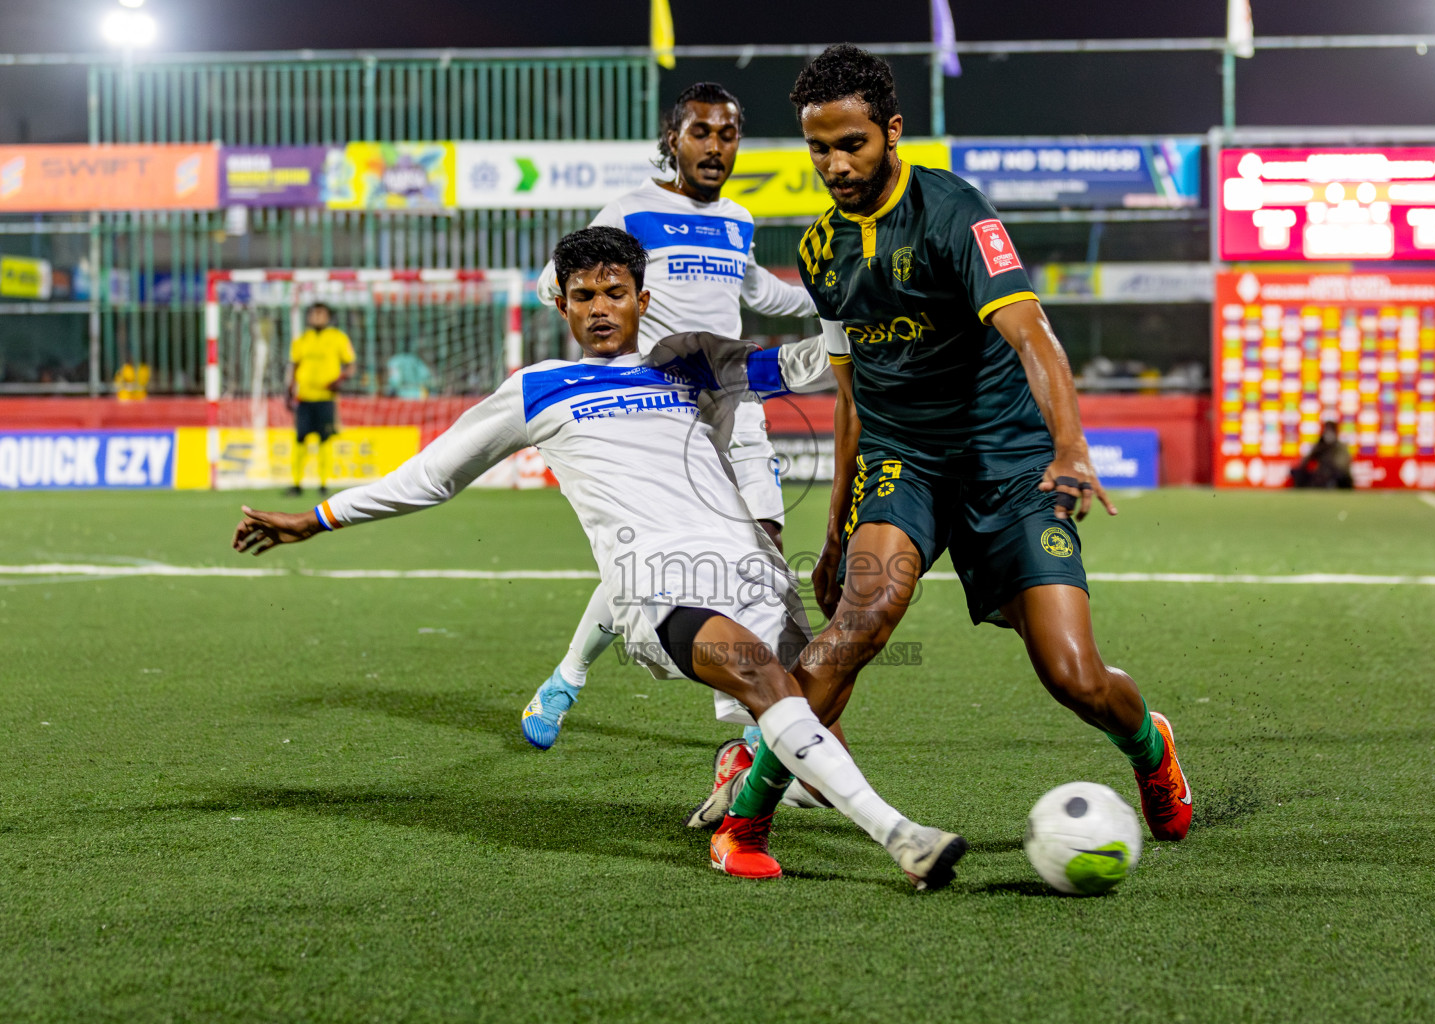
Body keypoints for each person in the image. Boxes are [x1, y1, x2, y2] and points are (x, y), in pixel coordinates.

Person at [231, 226, 967, 888]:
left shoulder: (693, 366)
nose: (600, 308)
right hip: (658, 586)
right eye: (583, 296)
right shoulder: (539, 388)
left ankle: (742, 808)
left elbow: (809, 364)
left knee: (804, 747)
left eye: (615, 292)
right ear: (563, 306)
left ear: (643, 299)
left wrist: (851, 308)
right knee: (768, 683)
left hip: (754, 576)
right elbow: (429, 477)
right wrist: (315, 519)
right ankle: (902, 837)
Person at [712, 45, 1193, 845]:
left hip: (1005, 461)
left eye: (851, 144)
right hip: (905, 463)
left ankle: (1151, 747)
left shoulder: (955, 214)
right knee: (857, 625)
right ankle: (748, 820)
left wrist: (1070, 448)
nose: (834, 164)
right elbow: (853, 395)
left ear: (892, 130)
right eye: (818, 148)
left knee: (1072, 675)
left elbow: (1032, 334)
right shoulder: (820, 251)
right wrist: (835, 532)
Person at [520, 82, 821, 767]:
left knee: (764, 549)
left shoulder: (739, 218)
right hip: (663, 416)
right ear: (673, 140)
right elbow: (552, 283)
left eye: (728, 133)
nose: (715, 146)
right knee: (649, 558)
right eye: (701, 133)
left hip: (736, 407)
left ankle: (750, 719)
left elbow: (754, 291)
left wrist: (828, 297)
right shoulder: (631, 210)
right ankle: (568, 677)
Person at [285, 303, 356, 496]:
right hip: (304, 397)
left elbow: (350, 366)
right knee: (300, 439)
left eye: (320, 313)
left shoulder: (338, 338)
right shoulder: (301, 340)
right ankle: (296, 483)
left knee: (325, 440)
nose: (316, 317)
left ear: (328, 317)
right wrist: (289, 389)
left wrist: (338, 380)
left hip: (326, 398)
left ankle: (324, 484)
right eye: (313, 313)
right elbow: (294, 366)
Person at [1290, 421, 1353, 489]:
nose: (1328, 433)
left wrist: (1330, 448)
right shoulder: (1321, 444)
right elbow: (1305, 461)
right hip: (1322, 473)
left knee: (1334, 475)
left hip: (1337, 474)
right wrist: (1319, 446)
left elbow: (1340, 465)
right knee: (1299, 473)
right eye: (1327, 430)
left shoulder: (1340, 446)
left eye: (1331, 430)